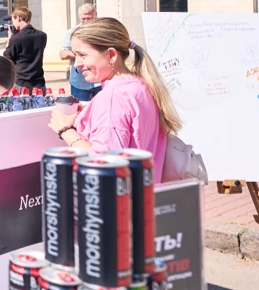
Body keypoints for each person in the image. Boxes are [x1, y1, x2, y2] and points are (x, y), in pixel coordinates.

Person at [46, 17, 181, 179]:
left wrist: (65, 130)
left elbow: (105, 166)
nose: (77, 64)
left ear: (111, 55)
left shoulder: (112, 98)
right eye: (75, 55)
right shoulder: (140, 85)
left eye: (82, 55)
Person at [61, 3, 101, 101]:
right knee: (80, 109)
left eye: (89, 18)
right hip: (79, 83)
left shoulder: (103, 32)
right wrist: (82, 54)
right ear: (79, 16)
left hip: (100, 81)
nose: (86, 22)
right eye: (83, 19)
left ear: (95, 15)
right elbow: (63, 54)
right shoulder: (71, 33)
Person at [2, 6, 47, 90]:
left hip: (22, 83)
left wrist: (10, 39)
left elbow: (6, 58)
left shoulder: (16, 38)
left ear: (19, 18)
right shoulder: (42, 36)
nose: (13, 24)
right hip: (39, 83)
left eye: (13, 21)